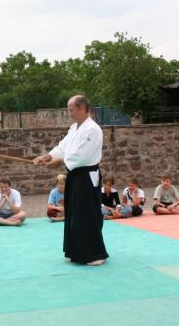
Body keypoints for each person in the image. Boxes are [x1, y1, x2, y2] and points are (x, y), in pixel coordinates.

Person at [34, 95, 108, 266]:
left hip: (87, 177)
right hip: (74, 176)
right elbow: (63, 146)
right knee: (73, 214)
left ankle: (95, 254)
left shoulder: (93, 130)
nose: (70, 114)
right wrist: (48, 156)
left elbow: (82, 155)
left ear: (82, 108)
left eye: (71, 110)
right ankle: (75, 251)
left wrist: (59, 162)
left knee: (87, 215)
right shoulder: (75, 128)